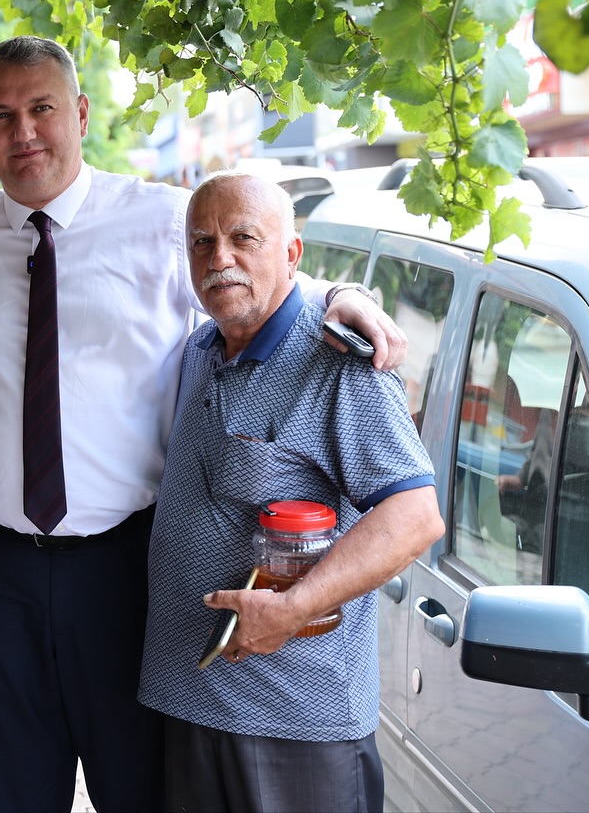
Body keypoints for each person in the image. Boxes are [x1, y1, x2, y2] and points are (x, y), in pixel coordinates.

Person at [0, 35, 407, 811]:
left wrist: (337, 296)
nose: (24, 132)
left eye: (42, 108)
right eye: (1, 116)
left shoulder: (161, 219)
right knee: (12, 794)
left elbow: (252, 271)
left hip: (129, 565)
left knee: (141, 788)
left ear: (81, 113)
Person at [138, 172, 444, 811]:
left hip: (295, 721)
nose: (219, 258)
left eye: (243, 238)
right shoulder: (200, 349)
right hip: (191, 700)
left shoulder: (341, 362)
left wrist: (294, 607)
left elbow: (415, 516)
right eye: (202, 242)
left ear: (292, 253)